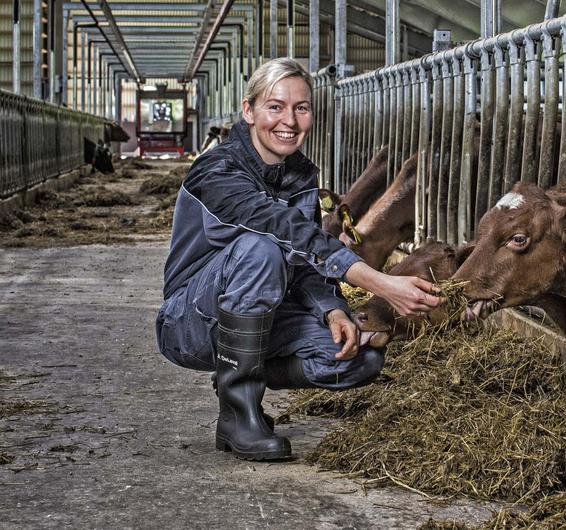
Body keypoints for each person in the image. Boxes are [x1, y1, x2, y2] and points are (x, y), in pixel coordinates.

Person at [155, 58, 441, 461]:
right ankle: (240, 414)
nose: (289, 120)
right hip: (191, 323)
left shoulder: (300, 175)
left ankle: (237, 373)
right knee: (262, 247)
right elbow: (284, 230)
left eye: (301, 108)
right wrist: (382, 283)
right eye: (275, 107)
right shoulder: (216, 169)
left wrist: (333, 310)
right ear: (248, 110)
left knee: (359, 359)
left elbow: (305, 260)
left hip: (259, 319)